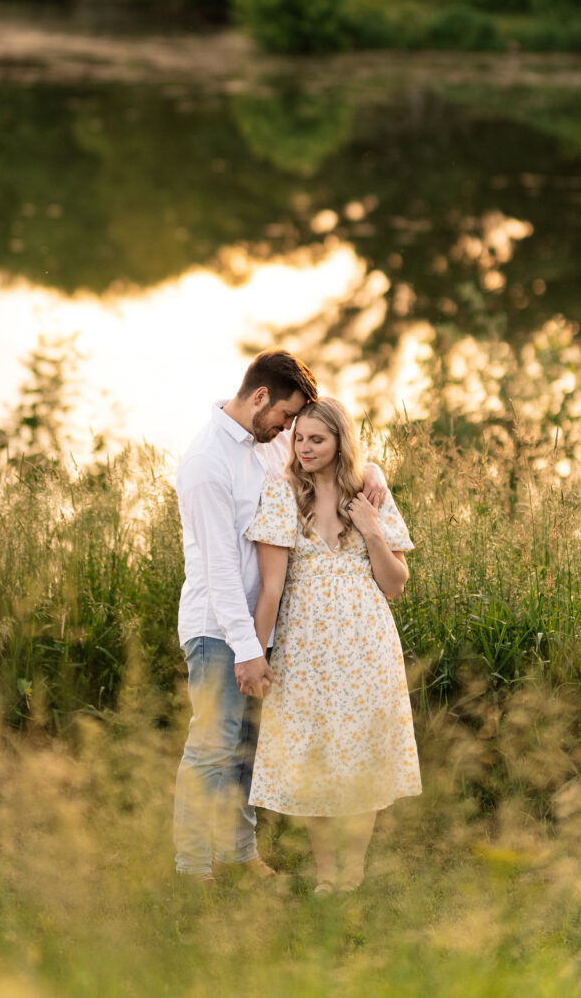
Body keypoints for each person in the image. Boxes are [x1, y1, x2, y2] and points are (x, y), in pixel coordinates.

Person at [172, 351, 389, 883]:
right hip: (219, 629)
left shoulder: (264, 447)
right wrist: (247, 650)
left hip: (258, 631)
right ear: (261, 397)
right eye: (286, 418)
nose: (289, 430)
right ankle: (193, 870)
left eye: (295, 424)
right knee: (213, 746)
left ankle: (239, 858)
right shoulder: (207, 463)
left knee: (245, 750)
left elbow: (320, 463)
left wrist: (374, 469)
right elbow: (222, 571)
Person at [245, 396, 421, 893]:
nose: (304, 448)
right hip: (307, 649)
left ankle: (355, 870)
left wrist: (372, 533)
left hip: (367, 646)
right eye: (299, 438)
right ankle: (327, 874)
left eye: (316, 439)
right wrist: (256, 653)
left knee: (360, 754)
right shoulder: (283, 495)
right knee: (316, 758)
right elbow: (271, 587)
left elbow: (395, 584)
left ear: (341, 442)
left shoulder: (369, 497)